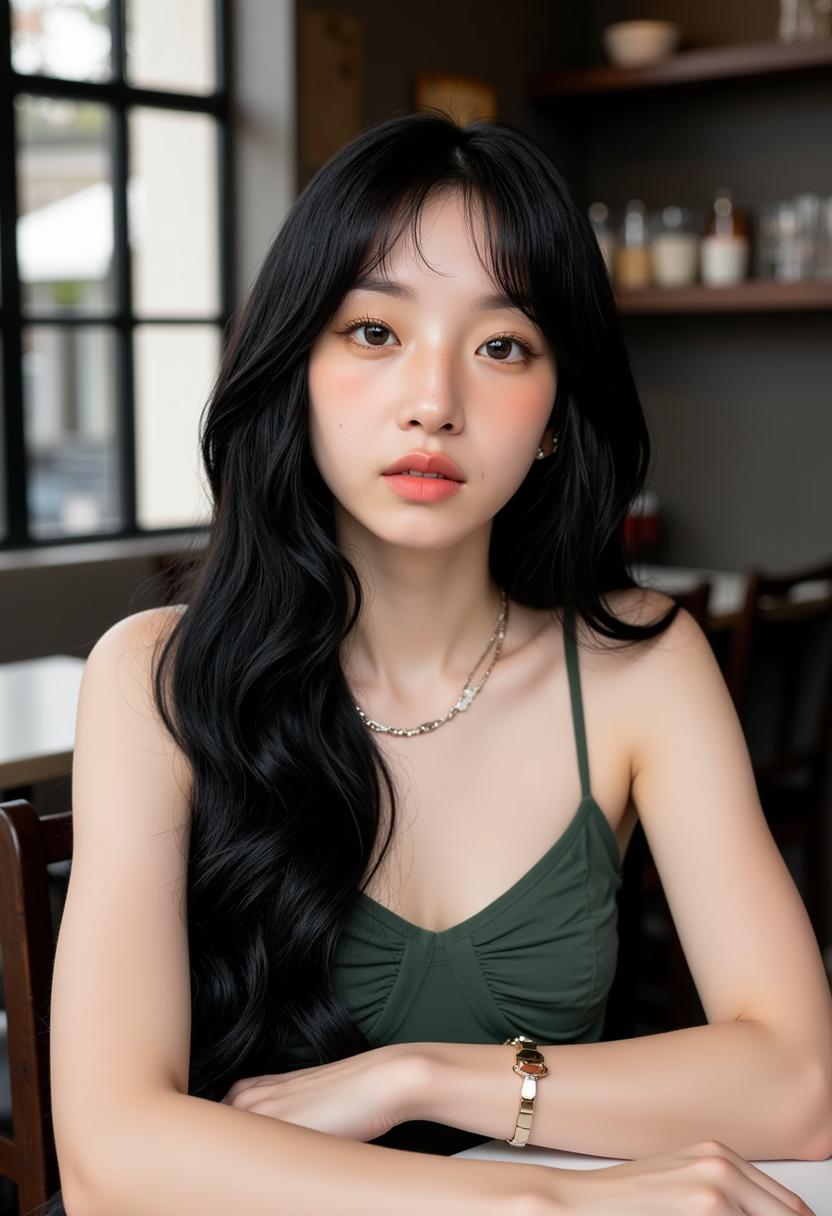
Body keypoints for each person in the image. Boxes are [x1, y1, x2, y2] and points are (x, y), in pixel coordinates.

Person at [43, 110, 829, 1216]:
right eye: (373, 332)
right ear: (297, 367)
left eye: (501, 345)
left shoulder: (638, 665)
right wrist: (534, 1206)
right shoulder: (152, 678)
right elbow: (110, 1159)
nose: (433, 402)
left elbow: (799, 1085)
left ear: (555, 412)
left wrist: (412, 1078)